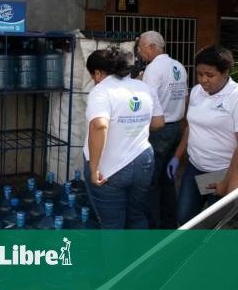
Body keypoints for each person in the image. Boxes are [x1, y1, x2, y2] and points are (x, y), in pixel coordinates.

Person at [83, 47, 164, 229]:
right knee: (137, 216)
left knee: (112, 224)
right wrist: (134, 124)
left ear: (97, 73)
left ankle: (116, 259)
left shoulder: (102, 90)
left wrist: (94, 168)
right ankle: (140, 258)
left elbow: (100, 125)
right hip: (143, 162)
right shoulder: (144, 88)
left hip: (110, 168)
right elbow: (159, 122)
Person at [167, 45, 238, 225]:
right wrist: (177, 156)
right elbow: (192, 127)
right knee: (184, 218)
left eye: (210, 75)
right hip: (195, 167)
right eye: (200, 74)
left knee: (214, 225)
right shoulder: (198, 92)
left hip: (222, 172)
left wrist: (228, 183)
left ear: (225, 72)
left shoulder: (234, 97)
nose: (204, 80)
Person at [137, 30, 188, 229]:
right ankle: (169, 223)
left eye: (141, 48)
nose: (140, 53)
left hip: (159, 130)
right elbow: (184, 98)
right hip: (176, 128)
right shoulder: (179, 67)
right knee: (167, 180)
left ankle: (153, 227)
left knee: (150, 182)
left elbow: (147, 102)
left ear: (152, 47)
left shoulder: (153, 69)